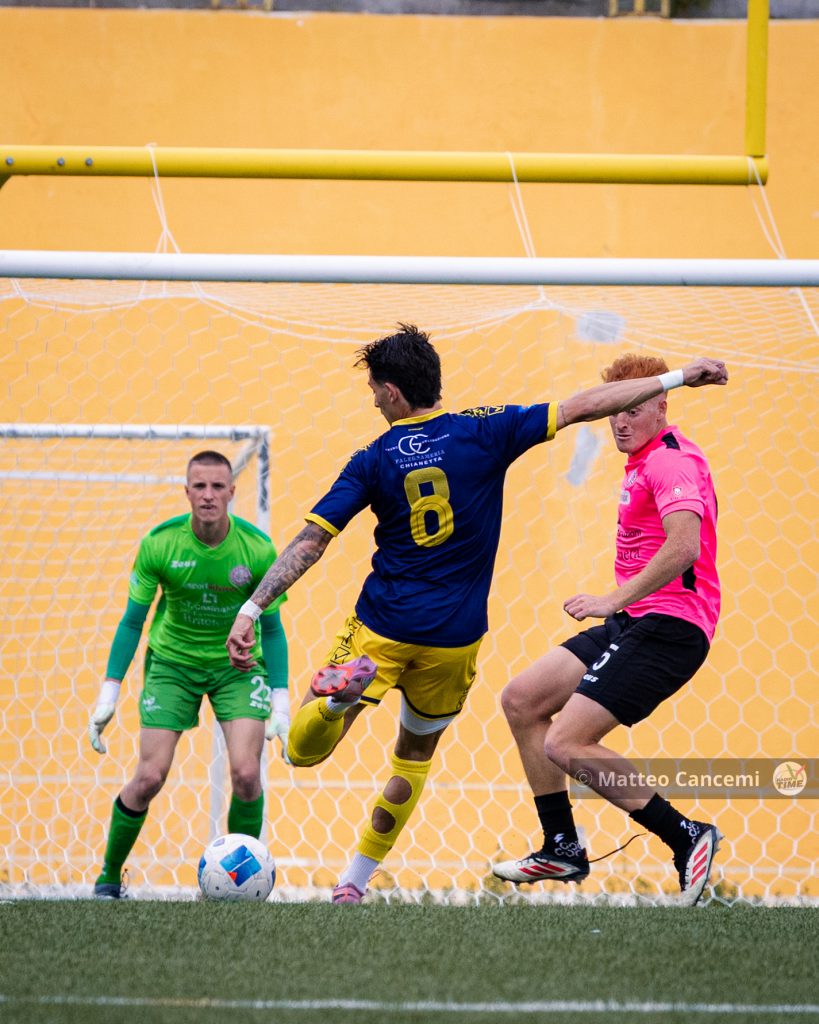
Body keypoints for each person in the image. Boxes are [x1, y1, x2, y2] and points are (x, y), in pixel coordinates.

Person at [224, 325, 727, 905]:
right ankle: (544, 848)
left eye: (371, 389)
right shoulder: (485, 430)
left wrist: (253, 605)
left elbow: (312, 541)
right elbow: (583, 407)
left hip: (384, 628)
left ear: (389, 393)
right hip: (457, 640)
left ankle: (684, 835)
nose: (620, 419)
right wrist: (679, 375)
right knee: (502, 709)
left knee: (302, 750)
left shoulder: (372, 458)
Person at [493, 352, 724, 906]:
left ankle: (686, 836)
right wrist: (618, 608)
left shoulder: (670, 461)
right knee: (523, 700)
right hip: (635, 621)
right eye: (614, 410)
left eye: (634, 408)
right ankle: (562, 846)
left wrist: (609, 600)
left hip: (671, 627)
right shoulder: (643, 460)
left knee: (566, 742)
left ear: (662, 405)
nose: (620, 420)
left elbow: (685, 545)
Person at [88, 450, 290, 899]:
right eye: (199, 486)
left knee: (245, 775)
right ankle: (108, 875)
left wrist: (281, 703)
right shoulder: (160, 544)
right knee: (149, 777)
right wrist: (109, 692)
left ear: (232, 493)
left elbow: (272, 629)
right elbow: (132, 622)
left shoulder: (257, 549)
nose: (208, 495)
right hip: (172, 665)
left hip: (236, 668)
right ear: (186, 492)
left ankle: (242, 885)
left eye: (218, 486)